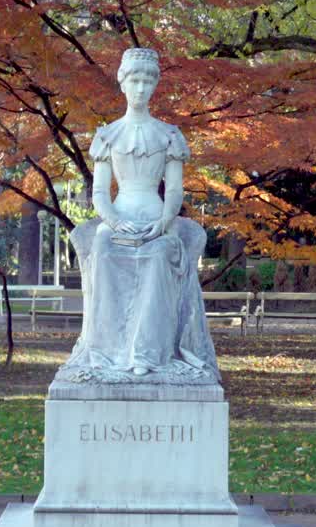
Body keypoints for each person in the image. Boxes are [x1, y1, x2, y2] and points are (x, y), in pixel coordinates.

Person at [56, 47, 219, 385]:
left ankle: (146, 353)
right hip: (120, 219)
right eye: (135, 80)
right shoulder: (108, 135)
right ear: (123, 83)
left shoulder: (170, 135)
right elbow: (100, 193)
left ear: (155, 86)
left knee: (161, 256)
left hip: (159, 221)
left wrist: (163, 224)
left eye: (148, 81)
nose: (141, 88)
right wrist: (115, 222)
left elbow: (174, 191)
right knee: (102, 250)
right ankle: (105, 351)